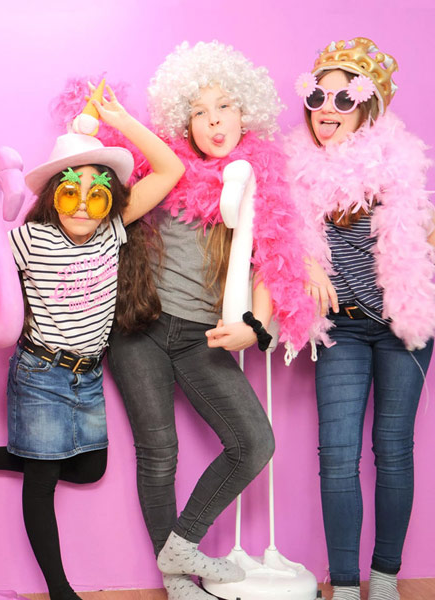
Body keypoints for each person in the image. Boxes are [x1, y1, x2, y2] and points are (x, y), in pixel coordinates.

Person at [105, 41, 315, 599]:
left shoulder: (257, 179)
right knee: (158, 451)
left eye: (224, 106)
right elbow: (110, 213)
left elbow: (271, 256)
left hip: (205, 335)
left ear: (245, 112)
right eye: (199, 110)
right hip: (141, 329)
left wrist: (257, 326)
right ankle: (178, 583)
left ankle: (181, 545)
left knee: (254, 442)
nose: (213, 120)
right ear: (183, 120)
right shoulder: (163, 170)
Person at [0, 83, 184, 600]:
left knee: (90, 465)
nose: (83, 205)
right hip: (40, 371)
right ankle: (61, 591)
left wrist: (121, 122)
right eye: (69, 191)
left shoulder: (113, 230)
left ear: (112, 200)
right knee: (42, 481)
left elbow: (170, 170)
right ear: (51, 194)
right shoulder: (31, 239)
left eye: (97, 191)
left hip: (88, 374)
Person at [287, 37, 435, 600]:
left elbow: (419, 243)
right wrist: (303, 260)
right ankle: (346, 587)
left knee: (394, 448)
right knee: (338, 454)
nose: (327, 107)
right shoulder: (297, 172)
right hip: (342, 325)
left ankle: (385, 579)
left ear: (369, 108)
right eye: (318, 95)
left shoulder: (399, 164)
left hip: (403, 324)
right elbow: (276, 234)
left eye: (344, 99)